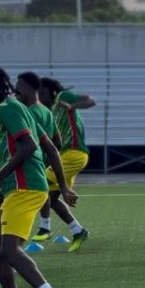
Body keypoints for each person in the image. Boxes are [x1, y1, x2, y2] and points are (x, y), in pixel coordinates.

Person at [0, 66, 76, 288]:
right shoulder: (21, 110)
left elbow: (29, 147)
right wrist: (63, 187)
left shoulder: (9, 109)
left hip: (25, 188)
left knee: (8, 250)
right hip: (23, 188)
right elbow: (51, 148)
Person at [13, 73, 83, 251]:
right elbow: (56, 142)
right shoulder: (47, 112)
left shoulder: (30, 113)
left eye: (19, 87)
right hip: (52, 160)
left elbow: (34, 144)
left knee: (4, 198)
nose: (16, 91)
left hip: (36, 164)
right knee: (50, 197)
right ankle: (74, 229)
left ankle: (11, 248)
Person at [30, 79, 95, 246]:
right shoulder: (51, 111)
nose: (41, 98)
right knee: (51, 198)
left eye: (43, 94)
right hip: (65, 155)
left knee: (39, 183)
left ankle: (45, 228)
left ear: (51, 92)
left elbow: (90, 101)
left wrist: (72, 107)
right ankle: (78, 231)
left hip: (74, 153)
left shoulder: (63, 96)